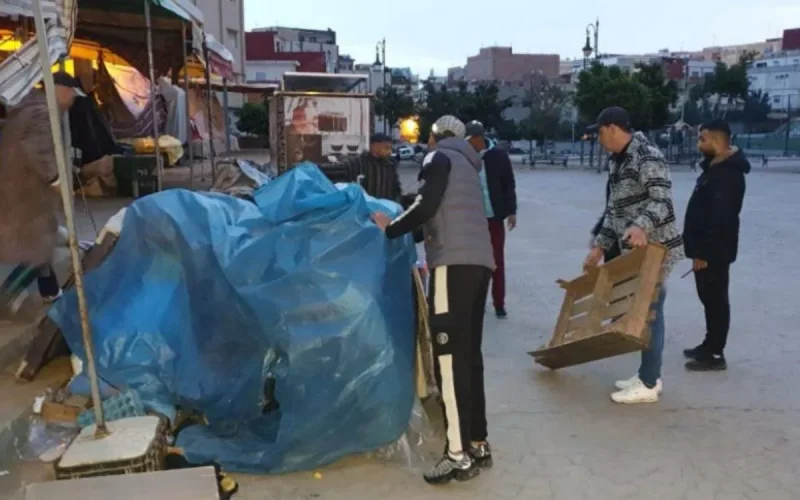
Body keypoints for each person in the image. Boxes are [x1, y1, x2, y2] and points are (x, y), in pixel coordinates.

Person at [371, 115, 494, 485]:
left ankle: (457, 456)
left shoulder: (438, 157)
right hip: (480, 266)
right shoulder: (469, 166)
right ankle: (478, 442)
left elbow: (425, 206)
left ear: (436, 136)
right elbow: (439, 218)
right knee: (469, 356)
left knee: (449, 361)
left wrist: (389, 228)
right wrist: (410, 234)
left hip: (452, 268)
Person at [584, 106, 684, 404]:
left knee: (650, 312)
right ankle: (647, 374)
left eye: (600, 133)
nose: (599, 139)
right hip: (635, 251)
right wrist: (600, 246)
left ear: (613, 128)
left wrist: (641, 226)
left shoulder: (646, 155)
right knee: (645, 310)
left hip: (655, 249)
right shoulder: (618, 161)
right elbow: (614, 212)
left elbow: (662, 200)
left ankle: (649, 383)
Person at [0, 72, 85, 311]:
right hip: (26, 189)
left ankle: (50, 290)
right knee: (38, 247)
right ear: (61, 89)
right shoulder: (43, 112)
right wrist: (56, 180)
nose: (72, 100)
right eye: (71, 94)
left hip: (18, 186)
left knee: (42, 240)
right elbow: (38, 150)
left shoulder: (30, 106)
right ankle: (8, 294)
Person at [682, 120, 750, 371]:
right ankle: (709, 344)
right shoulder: (715, 168)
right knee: (708, 299)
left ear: (718, 141)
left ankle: (715, 353)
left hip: (714, 251)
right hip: (707, 249)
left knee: (716, 301)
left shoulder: (728, 175)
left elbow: (720, 220)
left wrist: (704, 253)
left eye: (702, 139)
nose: (698, 144)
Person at [465, 121, 517, 318]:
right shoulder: (465, 157)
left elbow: (509, 184)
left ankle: (499, 303)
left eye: (471, 141)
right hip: (472, 219)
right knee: (474, 264)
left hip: (494, 218)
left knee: (496, 262)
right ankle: (476, 302)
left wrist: (511, 211)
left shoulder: (498, 155)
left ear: (480, 138)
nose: (469, 144)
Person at [342, 133, 403, 202]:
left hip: (385, 207)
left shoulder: (390, 166)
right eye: (386, 148)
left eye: (390, 148)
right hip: (363, 206)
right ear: (374, 147)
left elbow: (396, 189)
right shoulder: (356, 163)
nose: (390, 152)